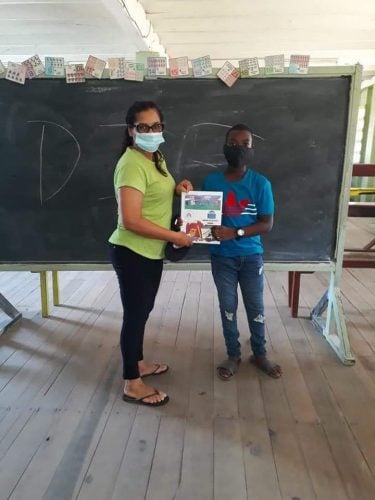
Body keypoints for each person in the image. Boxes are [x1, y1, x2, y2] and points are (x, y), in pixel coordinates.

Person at [109, 101, 193, 406]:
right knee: (134, 316)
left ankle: (139, 362)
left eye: (156, 126)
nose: (150, 131)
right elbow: (129, 220)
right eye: (143, 127)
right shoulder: (131, 163)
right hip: (133, 253)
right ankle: (132, 382)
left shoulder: (154, 157)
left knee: (142, 312)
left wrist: (177, 189)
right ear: (131, 131)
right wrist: (175, 237)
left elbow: (151, 192)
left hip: (149, 252)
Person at [202, 124, 282, 380]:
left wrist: (234, 233)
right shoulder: (211, 181)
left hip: (251, 256)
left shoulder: (260, 183)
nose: (239, 148)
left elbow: (266, 223)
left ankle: (259, 353)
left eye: (245, 144)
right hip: (222, 258)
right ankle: (233, 354)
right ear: (225, 147)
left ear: (251, 149)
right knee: (227, 306)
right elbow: (202, 220)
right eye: (233, 143)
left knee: (255, 306)